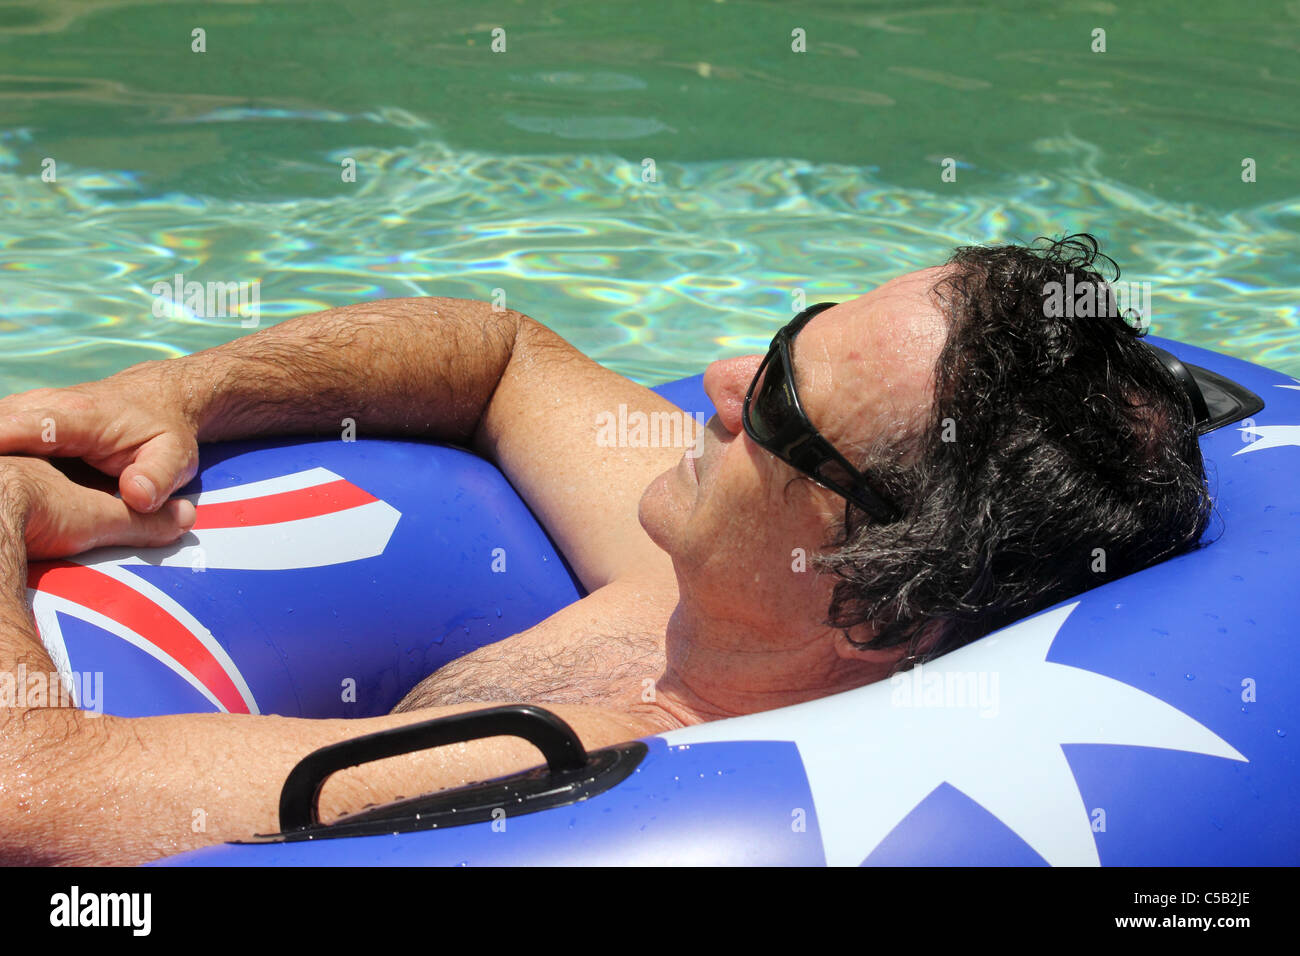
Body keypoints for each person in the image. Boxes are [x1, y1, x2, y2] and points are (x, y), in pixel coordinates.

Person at [0, 235, 1210, 865]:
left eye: (782, 408)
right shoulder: (727, 611)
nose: (724, 380)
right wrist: (177, 385)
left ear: (875, 604)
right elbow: (499, 354)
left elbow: (32, 797)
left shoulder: (555, 776)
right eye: (792, 336)